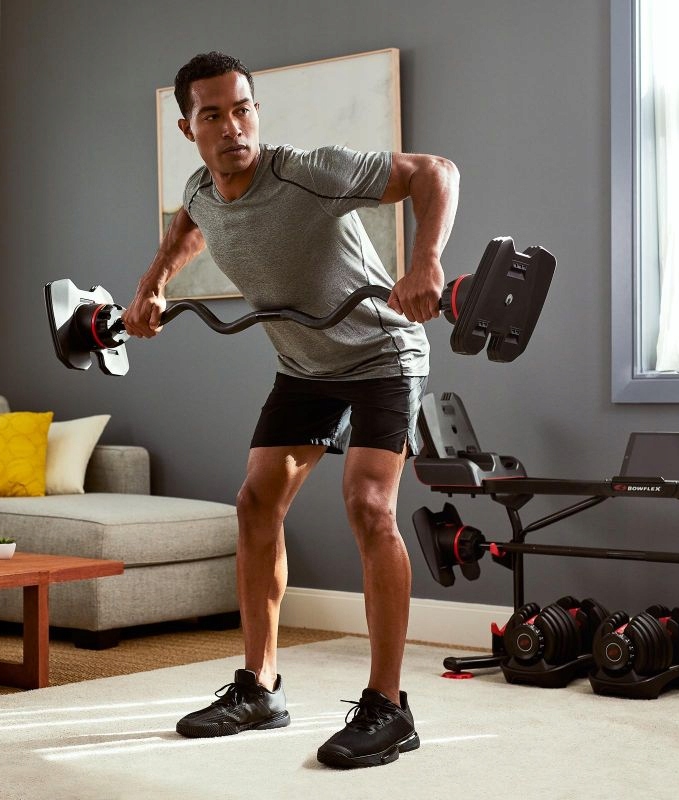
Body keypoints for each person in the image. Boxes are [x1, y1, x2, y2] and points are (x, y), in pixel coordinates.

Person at [123, 51, 459, 769]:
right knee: (255, 503)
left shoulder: (309, 172)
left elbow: (435, 172)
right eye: (213, 115)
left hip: (383, 355)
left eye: (243, 109)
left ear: (256, 112)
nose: (233, 127)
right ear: (188, 128)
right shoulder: (203, 190)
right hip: (305, 368)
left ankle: (390, 707)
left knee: (368, 505)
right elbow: (189, 224)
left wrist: (426, 261)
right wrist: (152, 285)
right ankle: (260, 688)